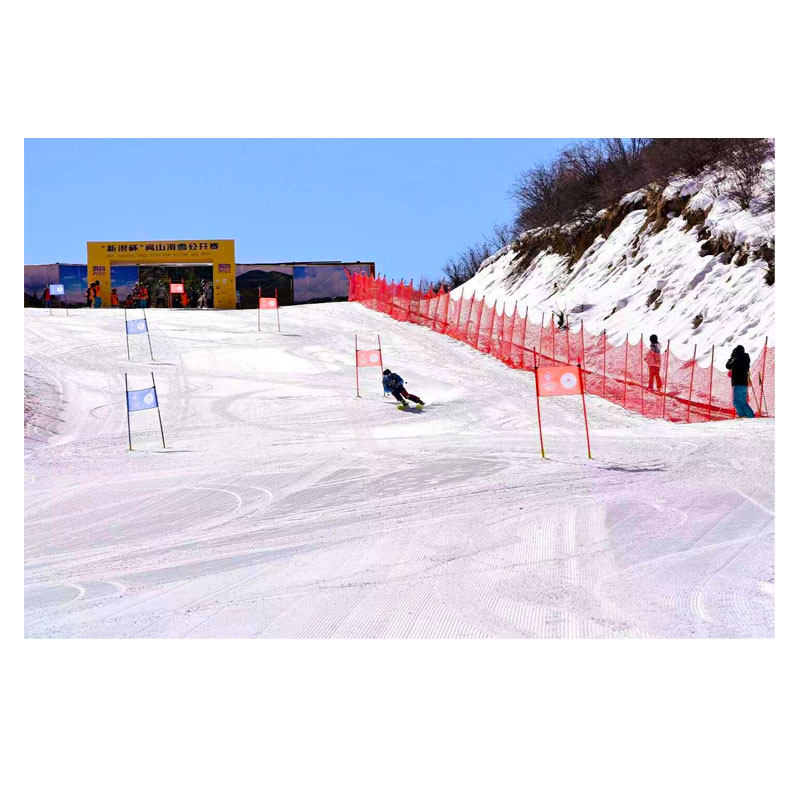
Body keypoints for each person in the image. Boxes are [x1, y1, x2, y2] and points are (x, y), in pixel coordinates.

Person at [726, 345, 755, 418]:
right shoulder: (746, 358)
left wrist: (731, 358)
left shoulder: (736, 359)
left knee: (736, 402)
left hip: (737, 382)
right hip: (744, 383)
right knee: (742, 402)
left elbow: (728, 366)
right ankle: (747, 416)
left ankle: (746, 416)